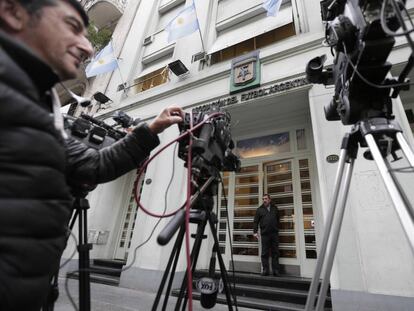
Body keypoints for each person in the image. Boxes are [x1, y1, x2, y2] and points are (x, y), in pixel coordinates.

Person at [0, 1, 184, 310]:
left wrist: (152, 128)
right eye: (72, 27)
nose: (87, 46)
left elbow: (93, 165)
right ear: (13, 13)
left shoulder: (40, 109)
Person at [253, 194, 280, 276]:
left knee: (275, 252)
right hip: (265, 234)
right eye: (263, 199)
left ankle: (276, 270)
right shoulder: (259, 210)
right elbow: (255, 221)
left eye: (266, 199)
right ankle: (265, 270)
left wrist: (275, 227)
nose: (264, 200)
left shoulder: (275, 208)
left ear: (269, 200)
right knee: (264, 253)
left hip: (274, 234)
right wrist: (255, 232)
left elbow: (278, 219)